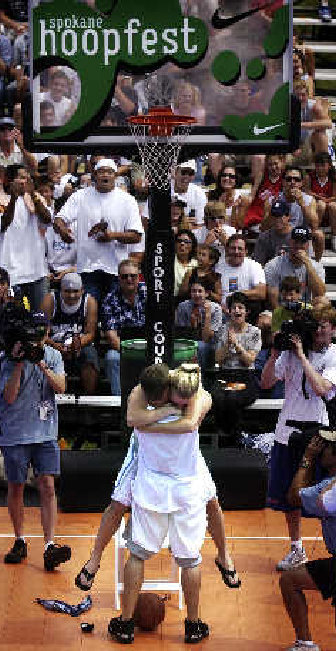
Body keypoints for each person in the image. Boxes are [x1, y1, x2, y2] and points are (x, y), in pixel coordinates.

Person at [75, 364, 240, 595]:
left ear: (170, 387)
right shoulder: (139, 391)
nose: (158, 401)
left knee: (211, 501)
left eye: (162, 399)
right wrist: (163, 413)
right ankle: (94, 559)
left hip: (184, 458)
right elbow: (132, 418)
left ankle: (224, 556)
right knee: (117, 505)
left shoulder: (190, 389)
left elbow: (190, 423)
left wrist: (149, 426)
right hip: (145, 453)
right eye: (153, 400)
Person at [108, 364, 211, 644]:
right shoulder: (196, 407)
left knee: (138, 555)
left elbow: (133, 418)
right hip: (185, 493)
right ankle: (193, 624)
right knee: (190, 561)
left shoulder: (142, 419)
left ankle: (126, 624)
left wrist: (152, 423)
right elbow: (194, 415)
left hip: (151, 491)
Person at [261, 304, 336, 572]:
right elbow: (266, 383)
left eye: (323, 326)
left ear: (333, 330)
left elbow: (320, 388)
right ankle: (297, 548)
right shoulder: (289, 354)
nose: (317, 330)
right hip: (287, 433)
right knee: (288, 497)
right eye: (314, 325)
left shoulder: (333, 355)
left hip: (320, 436)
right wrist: (274, 354)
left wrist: (303, 356)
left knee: (326, 496)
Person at [0, 307, 71, 571]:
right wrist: (19, 362)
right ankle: (19, 539)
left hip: (44, 431)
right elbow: (8, 397)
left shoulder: (52, 355)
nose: (37, 340)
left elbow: (61, 387)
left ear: (47, 334)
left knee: (48, 486)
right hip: (16, 432)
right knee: (16, 487)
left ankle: (49, 544)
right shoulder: (7, 359)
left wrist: (40, 363)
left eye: (41, 334)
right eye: (33, 335)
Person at [54, 158, 144, 304]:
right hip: (87, 268)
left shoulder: (128, 200)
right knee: (90, 314)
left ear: (115, 176)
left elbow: (136, 236)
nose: (105, 175)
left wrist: (112, 236)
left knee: (112, 317)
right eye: (101, 172)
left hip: (116, 270)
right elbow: (59, 219)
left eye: (109, 172)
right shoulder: (80, 196)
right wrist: (63, 230)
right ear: (94, 175)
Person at [280, 430, 336, 651]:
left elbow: (294, 496)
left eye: (327, 446)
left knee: (289, 580)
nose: (322, 448)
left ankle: (304, 644)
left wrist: (307, 458)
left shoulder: (330, 489)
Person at [213, 291, 261, 444]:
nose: (237, 311)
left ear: (247, 312)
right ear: (229, 311)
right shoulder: (222, 330)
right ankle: (222, 436)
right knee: (218, 396)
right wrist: (227, 343)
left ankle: (234, 438)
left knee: (233, 397)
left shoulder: (254, 332)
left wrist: (236, 344)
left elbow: (249, 361)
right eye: (234, 307)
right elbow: (219, 360)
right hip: (225, 375)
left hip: (245, 377)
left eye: (241, 308)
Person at [0, 164, 51, 311]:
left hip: (37, 272)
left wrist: (33, 194)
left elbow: (47, 219)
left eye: (28, 178)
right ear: (10, 180)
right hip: (11, 274)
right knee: (13, 320)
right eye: (22, 177)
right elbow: (3, 224)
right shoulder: (3, 200)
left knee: (40, 320)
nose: (26, 181)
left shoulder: (35, 199)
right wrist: (14, 199)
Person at [41, 272, 98, 395]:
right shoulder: (50, 300)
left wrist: (76, 344)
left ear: (82, 290)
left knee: (90, 358)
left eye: (75, 291)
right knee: (43, 355)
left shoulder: (89, 302)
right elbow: (42, 333)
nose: (71, 295)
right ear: (61, 290)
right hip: (53, 344)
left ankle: (89, 399)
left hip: (79, 345)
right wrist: (56, 346)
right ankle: (47, 397)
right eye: (67, 291)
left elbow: (90, 333)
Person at [101, 259, 146, 396]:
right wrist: (134, 353)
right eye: (125, 276)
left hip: (149, 345)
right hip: (122, 347)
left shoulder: (151, 294)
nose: (129, 279)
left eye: (133, 276)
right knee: (112, 358)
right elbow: (112, 337)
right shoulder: (110, 299)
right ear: (118, 278)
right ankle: (120, 404)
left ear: (139, 277)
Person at [265, 227, 326, 310]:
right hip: (282, 308)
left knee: (323, 301)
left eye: (302, 242)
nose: (298, 246)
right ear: (290, 242)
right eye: (296, 242)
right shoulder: (274, 264)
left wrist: (308, 264)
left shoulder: (316, 266)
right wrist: (280, 316)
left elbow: (321, 293)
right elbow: (273, 296)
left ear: (308, 245)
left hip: (306, 309)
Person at [175, 278, 222, 372]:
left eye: (200, 291)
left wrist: (208, 315)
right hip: (189, 340)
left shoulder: (216, 308)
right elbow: (182, 334)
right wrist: (193, 325)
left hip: (211, 342)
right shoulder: (183, 307)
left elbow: (206, 338)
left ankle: (201, 374)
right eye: (193, 291)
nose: (196, 295)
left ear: (207, 293)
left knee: (200, 346)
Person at [217, 234, 266, 321]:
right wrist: (221, 306)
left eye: (240, 248)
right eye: (233, 248)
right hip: (221, 311)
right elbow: (215, 293)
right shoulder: (218, 268)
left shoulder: (254, 266)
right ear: (227, 250)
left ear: (246, 251)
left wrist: (234, 297)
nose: (236, 252)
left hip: (244, 313)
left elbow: (261, 293)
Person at [303, 152, 336, 252]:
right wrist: (319, 197)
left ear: (329, 166)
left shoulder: (333, 178)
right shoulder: (310, 177)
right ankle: (314, 235)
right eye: (317, 165)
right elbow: (307, 192)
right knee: (321, 205)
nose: (320, 168)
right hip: (316, 210)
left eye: (323, 165)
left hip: (330, 210)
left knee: (333, 205)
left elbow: (334, 196)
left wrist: (326, 200)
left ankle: (335, 236)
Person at [244, 154, 284, 230]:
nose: (273, 167)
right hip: (256, 212)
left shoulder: (284, 179)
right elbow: (252, 195)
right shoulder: (261, 176)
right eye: (270, 165)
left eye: (276, 164)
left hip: (274, 213)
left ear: (281, 162)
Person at [253, 198, 292, 266]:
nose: (277, 219)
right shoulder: (264, 237)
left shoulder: (296, 236)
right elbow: (258, 264)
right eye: (274, 216)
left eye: (280, 216)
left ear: (288, 216)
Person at [208, 165, 249, 229]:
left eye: (231, 176)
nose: (227, 178)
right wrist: (219, 204)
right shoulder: (211, 195)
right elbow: (209, 223)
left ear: (236, 180)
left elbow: (240, 226)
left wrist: (234, 208)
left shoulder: (242, 198)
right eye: (224, 175)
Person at [172, 160, 207, 226]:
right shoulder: (163, 189)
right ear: (175, 172)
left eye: (191, 173)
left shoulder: (199, 193)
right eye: (184, 172)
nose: (186, 176)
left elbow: (199, 223)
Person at [174, 228, 198, 298]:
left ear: (193, 245)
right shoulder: (168, 261)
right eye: (179, 241)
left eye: (186, 241)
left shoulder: (196, 263)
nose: (182, 244)